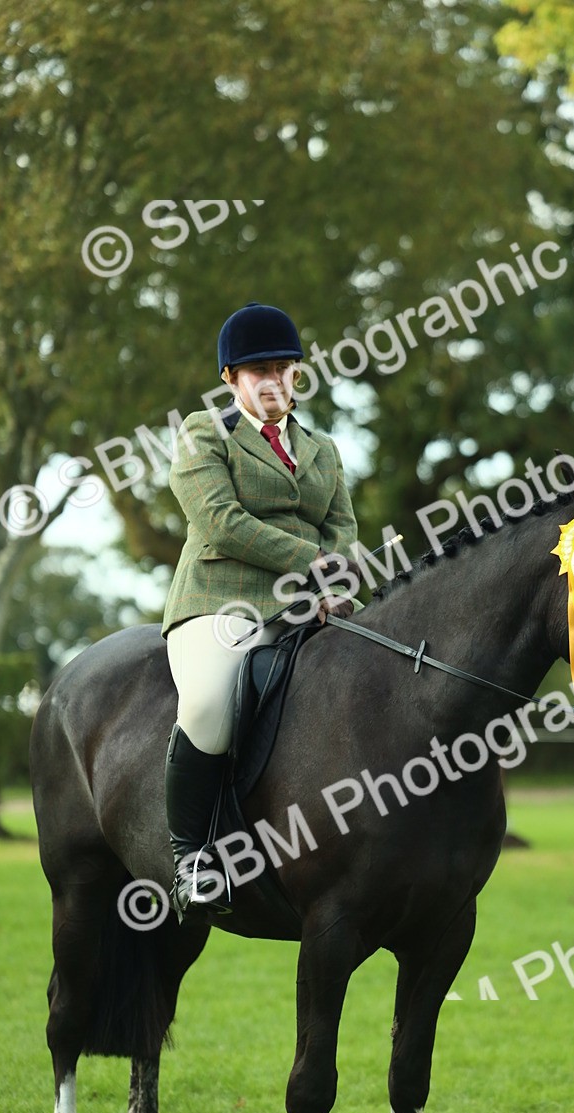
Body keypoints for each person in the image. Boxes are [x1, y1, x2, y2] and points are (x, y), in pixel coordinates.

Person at [161, 302, 359, 920]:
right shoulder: (202, 433)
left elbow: (344, 525)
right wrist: (315, 561)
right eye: (258, 371)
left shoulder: (322, 448)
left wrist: (342, 578)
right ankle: (191, 853)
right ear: (231, 379)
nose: (273, 381)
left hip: (312, 606)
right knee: (208, 706)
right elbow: (220, 524)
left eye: (283, 368)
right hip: (221, 601)